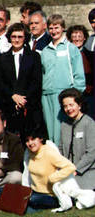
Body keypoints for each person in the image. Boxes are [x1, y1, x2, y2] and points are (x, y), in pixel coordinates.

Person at [0, 23, 43, 144]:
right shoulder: (2, 58)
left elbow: (36, 81)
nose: (16, 39)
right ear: (9, 38)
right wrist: (13, 97)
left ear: (25, 38)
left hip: (29, 106)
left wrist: (23, 100)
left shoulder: (34, 56)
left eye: (20, 36)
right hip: (9, 106)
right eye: (14, 36)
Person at [41, 14, 85, 145]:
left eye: (56, 27)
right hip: (46, 94)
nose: (54, 31)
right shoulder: (45, 51)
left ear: (63, 28)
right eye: (51, 28)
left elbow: (79, 75)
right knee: (50, 132)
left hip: (64, 96)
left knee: (63, 131)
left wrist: (75, 97)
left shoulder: (71, 48)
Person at [24, 128, 76, 211]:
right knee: (2, 191)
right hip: (35, 191)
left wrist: (53, 178)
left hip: (50, 194)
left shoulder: (49, 152)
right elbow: (26, 173)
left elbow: (70, 167)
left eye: (33, 139)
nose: (30, 143)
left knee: (33, 200)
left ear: (40, 139)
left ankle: (62, 201)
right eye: (27, 141)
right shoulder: (29, 153)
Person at [59, 88, 95, 190]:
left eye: (71, 105)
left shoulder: (89, 124)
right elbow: (61, 149)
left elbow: (92, 153)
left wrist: (75, 169)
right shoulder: (64, 125)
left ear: (79, 105)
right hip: (67, 171)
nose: (68, 109)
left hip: (86, 172)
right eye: (65, 106)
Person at [66, 25, 93, 119]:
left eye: (79, 36)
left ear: (84, 38)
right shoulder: (66, 54)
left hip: (87, 94)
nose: (77, 39)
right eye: (74, 36)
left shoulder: (89, 55)